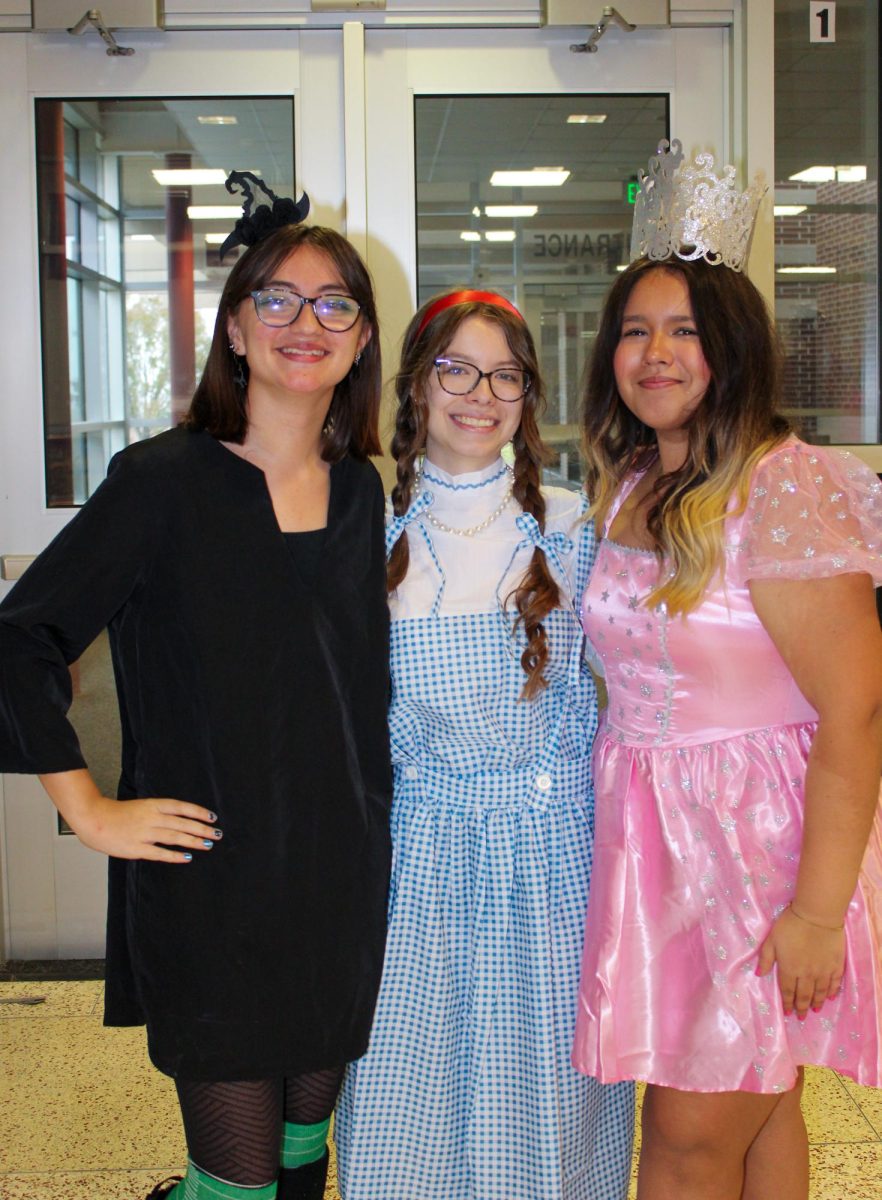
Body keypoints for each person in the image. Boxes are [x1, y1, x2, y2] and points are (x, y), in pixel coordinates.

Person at [0, 174, 392, 1200]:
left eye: (333, 305)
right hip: (211, 890)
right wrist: (86, 809)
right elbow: (20, 640)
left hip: (338, 886)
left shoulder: (362, 493)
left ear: (359, 341)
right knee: (238, 1182)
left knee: (305, 1165)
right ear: (233, 330)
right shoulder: (160, 482)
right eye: (277, 300)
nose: (305, 324)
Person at [571, 139, 882, 1200]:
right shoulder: (627, 484)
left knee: (687, 1140)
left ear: (734, 349)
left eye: (685, 333)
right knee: (760, 1113)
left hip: (760, 858)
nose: (654, 354)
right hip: (655, 845)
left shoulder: (782, 487)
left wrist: (814, 912)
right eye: (635, 332)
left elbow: (858, 709)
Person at [335, 289, 635, 1200]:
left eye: (506, 374)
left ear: (529, 395)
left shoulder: (576, 523)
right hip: (415, 867)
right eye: (456, 368)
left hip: (551, 868)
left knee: (549, 1108)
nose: (480, 392)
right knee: (403, 1100)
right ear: (417, 385)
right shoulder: (363, 530)